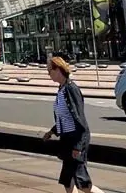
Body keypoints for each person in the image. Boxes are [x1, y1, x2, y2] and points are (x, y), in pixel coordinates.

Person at [43, 56, 103, 193]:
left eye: (49, 71)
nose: (49, 74)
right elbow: (64, 118)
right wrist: (52, 132)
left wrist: (78, 146)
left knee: (82, 182)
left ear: (58, 69)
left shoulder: (71, 89)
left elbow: (79, 119)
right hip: (67, 139)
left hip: (76, 140)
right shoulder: (62, 89)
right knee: (67, 181)